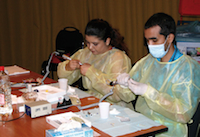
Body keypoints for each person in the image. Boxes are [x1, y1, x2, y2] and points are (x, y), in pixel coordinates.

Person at [116, 13, 200, 137]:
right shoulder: (147, 62)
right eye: (147, 40)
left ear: (169, 38)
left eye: (154, 40)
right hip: (142, 125)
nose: (150, 45)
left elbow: (183, 113)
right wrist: (123, 85)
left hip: (168, 130)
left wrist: (149, 92)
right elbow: (127, 96)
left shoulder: (187, 68)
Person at [57, 19, 132, 108]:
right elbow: (64, 80)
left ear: (107, 41)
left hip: (115, 106)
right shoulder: (86, 53)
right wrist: (68, 67)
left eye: (95, 44)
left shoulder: (118, 58)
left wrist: (91, 72)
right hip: (92, 101)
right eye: (87, 43)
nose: (90, 47)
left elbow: (116, 95)